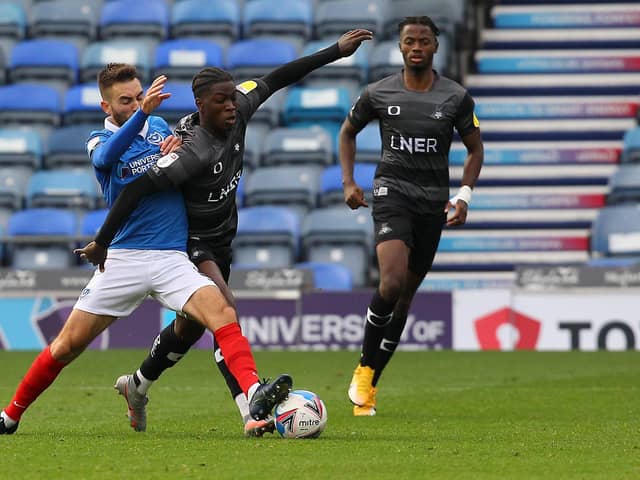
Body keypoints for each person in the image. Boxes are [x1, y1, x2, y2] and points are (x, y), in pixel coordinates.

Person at [74, 30, 374, 433]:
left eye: (233, 97)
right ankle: (251, 408)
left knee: (189, 327)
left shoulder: (239, 106)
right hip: (192, 242)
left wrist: (335, 52)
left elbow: (280, 75)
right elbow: (137, 187)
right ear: (202, 105)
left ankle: (138, 384)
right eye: (222, 100)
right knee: (225, 313)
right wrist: (103, 240)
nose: (232, 105)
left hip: (222, 238)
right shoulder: (190, 144)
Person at [0, 63, 292, 435]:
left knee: (222, 312)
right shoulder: (98, 140)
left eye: (140, 95)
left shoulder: (157, 129)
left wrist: (174, 140)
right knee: (65, 347)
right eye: (127, 100)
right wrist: (142, 115)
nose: (138, 102)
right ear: (107, 107)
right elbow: (107, 159)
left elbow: (184, 155)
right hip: (123, 258)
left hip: (173, 256)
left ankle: (254, 395)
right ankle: (10, 415)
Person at [340, 16, 484, 416]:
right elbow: (347, 131)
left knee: (404, 299)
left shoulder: (455, 98)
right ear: (400, 47)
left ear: (435, 46)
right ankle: (364, 368)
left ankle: (369, 386)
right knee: (391, 281)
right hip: (391, 193)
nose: (416, 47)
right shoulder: (379, 92)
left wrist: (464, 196)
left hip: (432, 203)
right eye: (409, 41)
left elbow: (475, 149)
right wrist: (349, 182)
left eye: (423, 41)